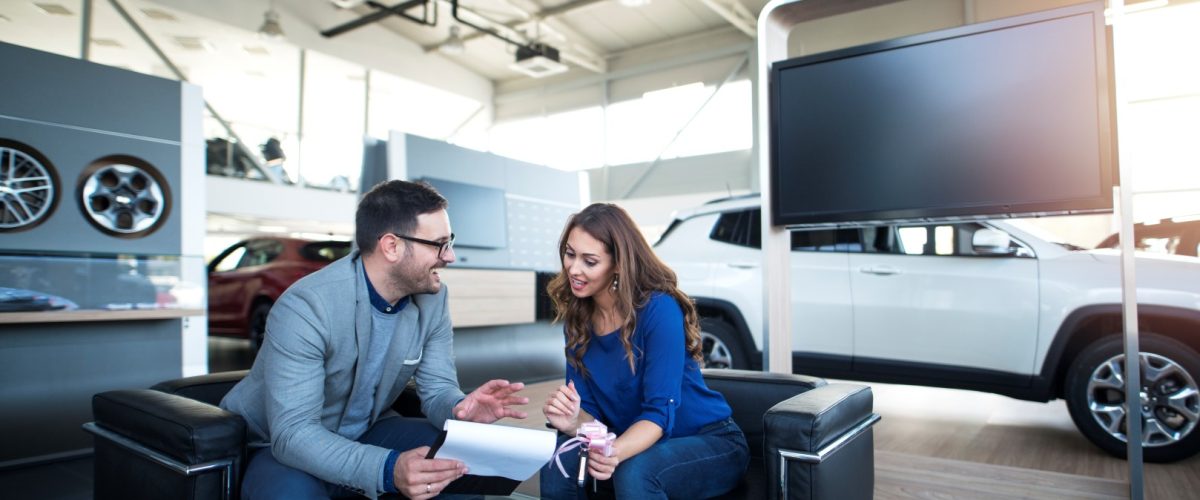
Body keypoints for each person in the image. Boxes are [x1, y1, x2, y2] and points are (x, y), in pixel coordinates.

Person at [220, 180, 529, 500]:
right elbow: (294, 434)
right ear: (392, 246)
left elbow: (437, 389)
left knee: (462, 462)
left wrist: (460, 409)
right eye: (439, 244)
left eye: (449, 241)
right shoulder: (307, 307)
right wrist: (388, 468)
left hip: (366, 430)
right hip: (279, 445)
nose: (449, 256)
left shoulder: (433, 300)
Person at [539, 203, 749, 499]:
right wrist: (575, 421)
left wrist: (614, 450)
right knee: (558, 463)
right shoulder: (578, 320)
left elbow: (659, 414)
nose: (574, 269)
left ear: (618, 264)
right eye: (570, 254)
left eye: (590, 261)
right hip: (634, 440)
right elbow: (593, 416)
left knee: (635, 471)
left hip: (709, 442)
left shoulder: (658, 310)